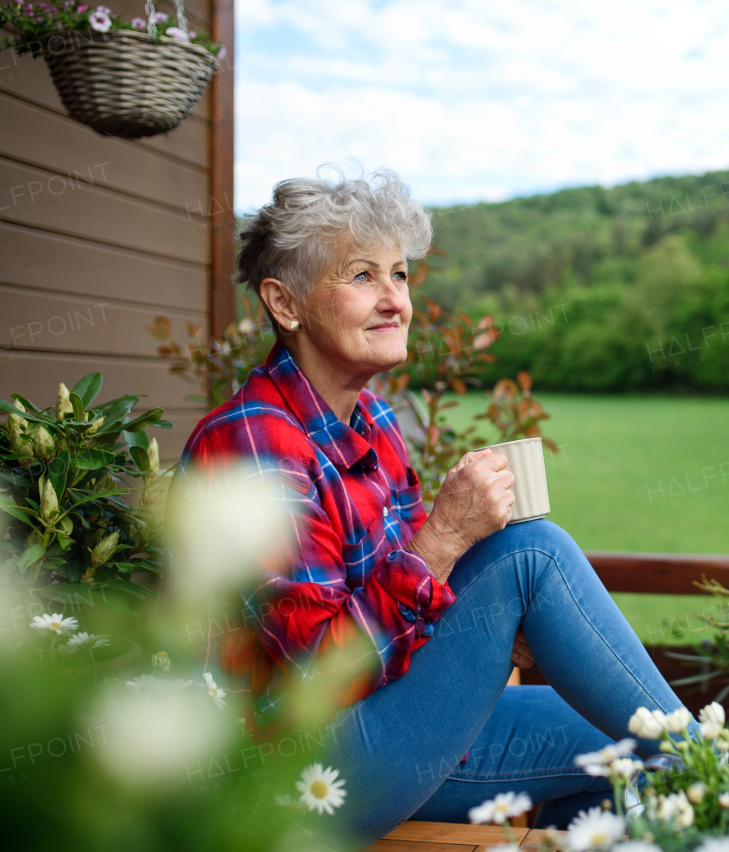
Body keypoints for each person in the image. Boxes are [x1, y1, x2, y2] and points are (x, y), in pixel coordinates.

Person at [179, 167, 691, 847]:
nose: (395, 299)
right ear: (285, 302)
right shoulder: (253, 442)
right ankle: (726, 766)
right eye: (362, 276)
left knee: (621, 749)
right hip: (292, 770)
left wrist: (489, 622)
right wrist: (446, 535)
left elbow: (409, 606)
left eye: (400, 274)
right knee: (528, 554)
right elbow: (314, 676)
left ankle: (703, 762)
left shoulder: (376, 423)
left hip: (389, 719)